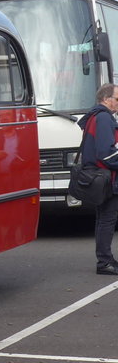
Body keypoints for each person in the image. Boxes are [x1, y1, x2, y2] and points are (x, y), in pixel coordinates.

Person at [78, 84, 118, 274]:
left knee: (103, 218)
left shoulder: (95, 116)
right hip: (107, 177)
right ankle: (104, 262)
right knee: (107, 219)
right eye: (117, 99)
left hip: (99, 176)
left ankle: (106, 259)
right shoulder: (103, 118)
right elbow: (105, 153)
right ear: (106, 99)